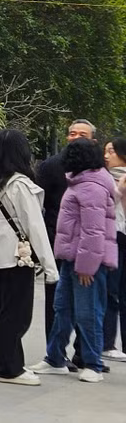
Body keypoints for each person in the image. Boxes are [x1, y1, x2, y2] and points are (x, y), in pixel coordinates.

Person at [32, 137, 118, 382]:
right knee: (63, 309)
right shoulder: (81, 182)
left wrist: (87, 266)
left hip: (87, 263)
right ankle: (55, 357)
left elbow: (93, 231)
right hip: (73, 258)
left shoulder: (91, 186)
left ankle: (94, 364)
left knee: (87, 312)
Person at [0, 130, 58, 386]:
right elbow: (35, 227)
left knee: (1, 312)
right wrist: (50, 267)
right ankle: (10, 368)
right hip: (16, 256)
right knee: (17, 314)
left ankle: (10, 363)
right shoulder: (19, 185)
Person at [36, 118, 96, 367]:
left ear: (92, 141)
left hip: (89, 249)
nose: (75, 137)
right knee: (57, 302)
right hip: (57, 244)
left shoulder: (97, 171)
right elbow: (39, 203)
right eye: (72, 133)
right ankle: (56, 354)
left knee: (88, 303)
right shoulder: (50, 167)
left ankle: (84, 354)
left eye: (81, 134)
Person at [105, 137, 126, 362]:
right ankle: (107, 343)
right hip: (114, 236)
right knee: (111, 292)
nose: (107, 155)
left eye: (111, 151)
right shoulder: (105, 178)